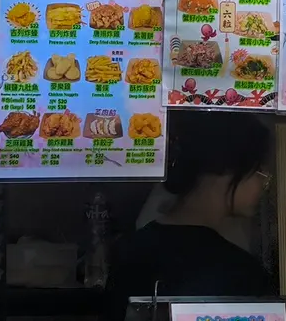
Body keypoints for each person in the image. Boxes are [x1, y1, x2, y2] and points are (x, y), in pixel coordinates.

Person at [104, 111, 276, 320]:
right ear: (226, 169)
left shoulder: (129, 250)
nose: (263, 185)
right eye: (260, 173)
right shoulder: (241, 272)